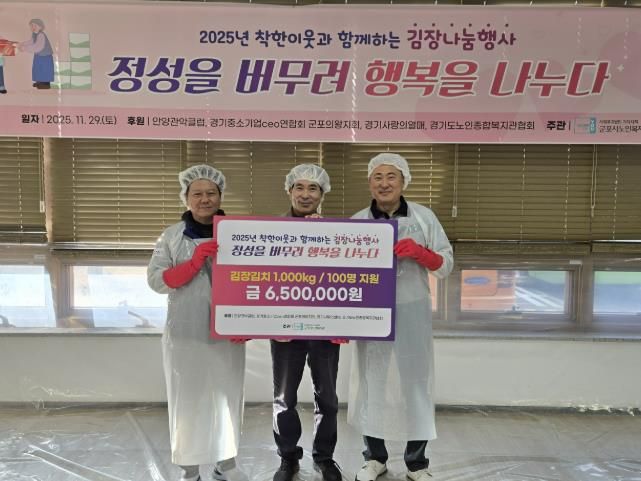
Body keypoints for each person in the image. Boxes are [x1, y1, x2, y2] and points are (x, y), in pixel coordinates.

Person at [348, 153, 453, 481]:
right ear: (370, 183)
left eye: (391, 176)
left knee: (415, 385)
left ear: (404, 181)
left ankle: (417, 463)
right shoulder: (357, 221)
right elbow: (342, 271)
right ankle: (374, 458)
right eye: (377, 177)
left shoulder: (423, 217)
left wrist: (421, 253)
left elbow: (446, 264)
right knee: (372, 384)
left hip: (411, 311)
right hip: (370, 312)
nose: (384, 183)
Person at [148, 164, 248, 481]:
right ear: (186, 197)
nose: (205, 199)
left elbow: (255, 281)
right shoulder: (171, 236)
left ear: (220, 196)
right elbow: (157, 281)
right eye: (197, 194)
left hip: (227, 333)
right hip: (185, 332)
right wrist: (193, 263)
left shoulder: (239, 233)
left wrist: (247, 323)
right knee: (187, 398)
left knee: (226, 396)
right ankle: (189, 468)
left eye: (211, 193)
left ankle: (226, 462)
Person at [271, 164, 344, 481]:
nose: (305, 194)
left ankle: (324, 458)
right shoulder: (270, 231)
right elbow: (262, 278)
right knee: (284, 398)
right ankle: (288, 458)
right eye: (299, 187)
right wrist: (268, 321)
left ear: (322, 194)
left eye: (313, 188)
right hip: (285, 328)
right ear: (289, 191)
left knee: (327, 398)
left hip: (325, 327)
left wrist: (345, 323)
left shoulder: (339, 234)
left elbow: (349, 278)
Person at [18, 19, 54, 89]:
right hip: (38, 55)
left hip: (45, 56)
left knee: (44, 70)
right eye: (31, 25)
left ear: (40, 27)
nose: (33, 27)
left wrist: (25, 48)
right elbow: (31, 41)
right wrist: (22, 44)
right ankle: (39, 82)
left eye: (35, 25)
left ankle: (45, 84)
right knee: (37, 69)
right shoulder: (34, 34)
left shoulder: (41, 35)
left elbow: (37, 47)